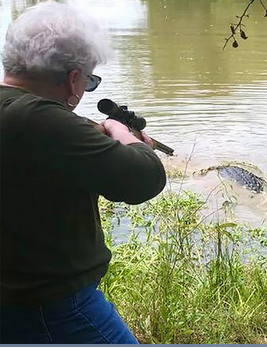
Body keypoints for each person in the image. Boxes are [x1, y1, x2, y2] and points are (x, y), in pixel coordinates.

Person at [0, 2, 166, 344]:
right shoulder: (39, 118)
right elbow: (144, 178)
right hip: (53, 305)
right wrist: (120, 132)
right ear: (74, 79)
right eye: (89, 80)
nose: (84, 90)